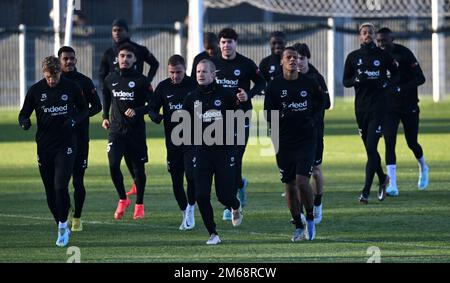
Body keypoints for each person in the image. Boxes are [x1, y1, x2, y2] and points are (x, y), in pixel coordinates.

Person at [18, 56, 88, 247]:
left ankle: (62, 227)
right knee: (50, 191)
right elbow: (23, 113)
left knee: (60, 187)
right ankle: (60, 222)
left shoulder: (71, 87)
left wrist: (73, 120)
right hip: (44, 146)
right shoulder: (35, 90)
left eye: (54, 76)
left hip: (66, 145)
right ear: (44, 74)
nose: (51, 81)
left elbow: (84, 110)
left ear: (60, 72)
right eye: (48, 77)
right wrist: (24, 122)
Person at [264, 47, 324, 241]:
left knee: (301, 180)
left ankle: (310, 217)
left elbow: (320, 103)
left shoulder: (310, 82)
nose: (293, 60)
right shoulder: (273, 86)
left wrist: (313, 121)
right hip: (283, 140)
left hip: (306, 138)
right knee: (289, 183)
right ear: (281, 61)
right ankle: (298, 224)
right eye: (288, 57)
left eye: (295, 58)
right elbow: (268, 113)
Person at [182, 59, 243, 245]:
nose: (200, 74)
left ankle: (235, 205)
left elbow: (239, 118)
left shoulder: (226, 95)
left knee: (223, 195)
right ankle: (213, 233)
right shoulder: (191, 98)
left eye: (204, 71)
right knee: (200, 195)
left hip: (224, 151)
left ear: (213, 74)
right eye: (198, 71)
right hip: (202, 152)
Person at [99, 18, 159, 196]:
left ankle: (137, 185)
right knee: (119, 155)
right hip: (118, 104)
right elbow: (102, 74)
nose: (116, 33)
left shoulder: (139, 50)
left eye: (120, 30)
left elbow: (154, 63)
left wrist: (146, 81)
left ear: (127, 31)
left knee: (135, 157)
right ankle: (130, 188)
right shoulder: (109, 52)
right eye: (114, 30)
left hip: (136, 98)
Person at [212, 27, 266, 220]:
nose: (227, 45)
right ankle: (240, 185)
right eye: (224, 42)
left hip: (240, 116)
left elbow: (262, 83)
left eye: (230, 42)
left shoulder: (246, 64)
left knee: (234, 157)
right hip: (217, 118)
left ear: (236, 43)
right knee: (224, 160)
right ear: (219, 44)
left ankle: (230, 203)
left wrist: (248, 94)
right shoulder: (213, 63)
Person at [343, 23, 399, 204]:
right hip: (361, 108)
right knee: (370, 149)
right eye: (364, 33)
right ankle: (383, 179)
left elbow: (397, 74)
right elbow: (345, 81)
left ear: (374, 35)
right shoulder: (353, 57)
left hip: (379, 108)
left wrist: (386, 84)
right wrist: (356, 79)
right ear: (360, 36)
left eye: (370, 33)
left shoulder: (383, 56)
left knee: (370, 147)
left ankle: (365, 191)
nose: (367, 35)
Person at [102, 43, 154, 220]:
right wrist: (104, 116)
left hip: (136, 132)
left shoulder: (142, 81)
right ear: (118, 58)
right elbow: (106, 95)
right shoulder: (110, 78)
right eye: (122, 56)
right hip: (116, 131)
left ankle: (139, 203)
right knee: (113, 164)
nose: (125, 59)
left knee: (138, 171)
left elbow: (152, 105)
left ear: (135, 59)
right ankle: (123, 198)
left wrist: (138, 111)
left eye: (129, 56)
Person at [376, 27, 428, 196]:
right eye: (379, 41)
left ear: (392, 39)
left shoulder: (404, 53)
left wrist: (401, 88)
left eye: (384, 40)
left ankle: (423, 166)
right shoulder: (377, 56)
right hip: (389, 108)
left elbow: (420, 78)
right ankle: (393, 185)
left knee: (411, 142)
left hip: (409, 105)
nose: (381, 44)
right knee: (389, 142)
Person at [151, 55, 198, 230]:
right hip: (172, 141)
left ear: (184, 69)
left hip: (192, 139)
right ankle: (184, 210)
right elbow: (152, 108)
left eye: (178, 72)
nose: (175, 76)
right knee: (176, 180)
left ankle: (192, 208)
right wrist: (156, 116)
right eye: (172, 72)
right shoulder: (163, 87)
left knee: (192, 177)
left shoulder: (194, 85)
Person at [58, 46, 102, 232]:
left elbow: (97, 106)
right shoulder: (54, 82)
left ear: (76, 60)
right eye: (65, 59)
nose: (69, 62)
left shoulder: (84, 81)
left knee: (78, 181)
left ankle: (77, 217)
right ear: (59, 60)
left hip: (81, 138)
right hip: (59, 141)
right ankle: (66, 209)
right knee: (60, 182)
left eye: (72, 58)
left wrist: (78, 118)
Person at [294, 43, 331, 224]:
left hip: (314, 132)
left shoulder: (316, 78)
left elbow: (327, 103)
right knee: (298, 175)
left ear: (308, 58)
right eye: (296, 58)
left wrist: (309, 114)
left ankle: (317, 204)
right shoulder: (288, 78)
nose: (298, 62)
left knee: (315, 171)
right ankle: (300, 212)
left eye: (302, 58)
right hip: (294, 135)